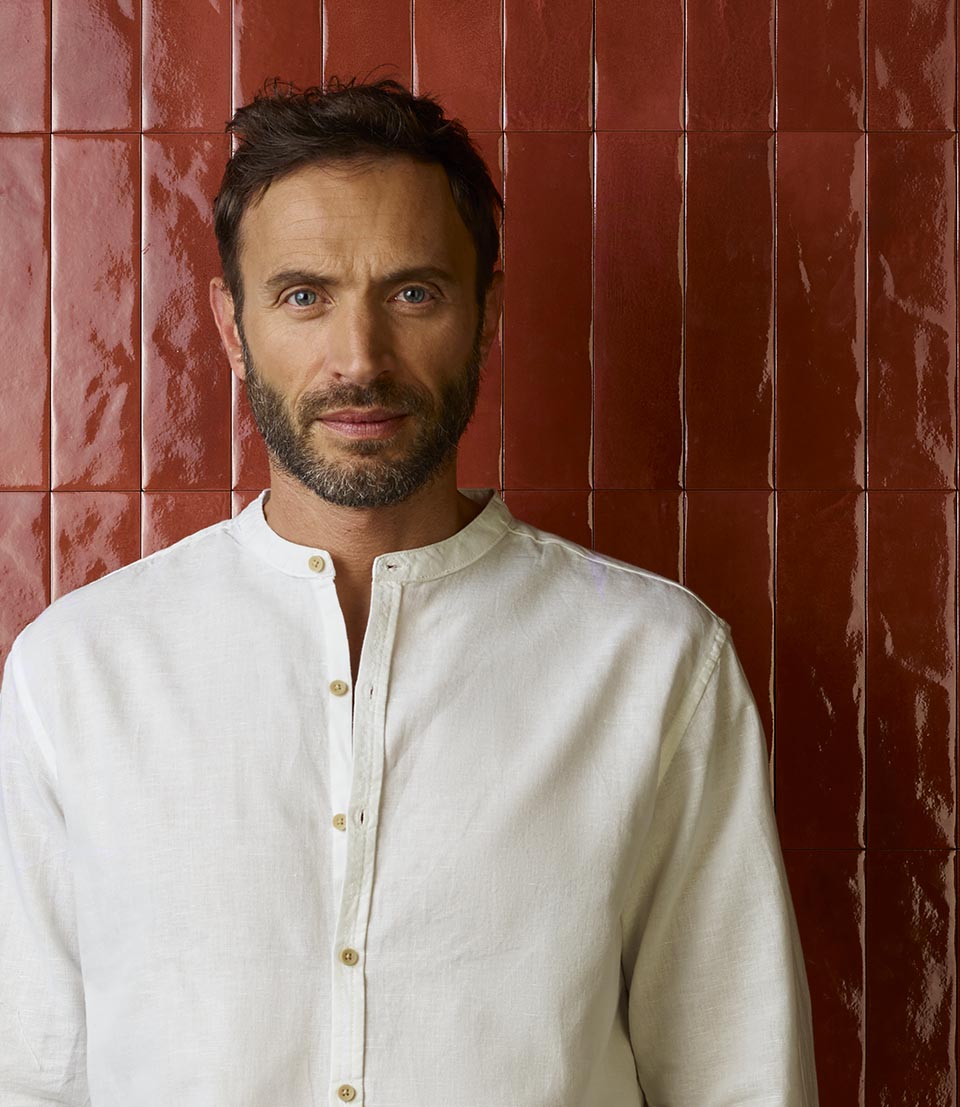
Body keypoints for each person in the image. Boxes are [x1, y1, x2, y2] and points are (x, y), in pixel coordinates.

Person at [0, 79, 819, 1106]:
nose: (359, 360)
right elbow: (32, 1076)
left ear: (487, 316)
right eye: (304, 295)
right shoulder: (77, 672)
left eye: (414, 293)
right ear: (231, 325)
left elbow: (738, 1076)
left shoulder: (655, 664)